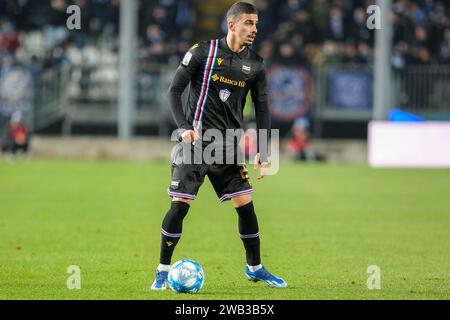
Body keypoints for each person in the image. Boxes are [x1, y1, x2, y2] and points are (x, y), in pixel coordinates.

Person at [150, 2, 287, 290]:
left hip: (228, 146)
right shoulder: (202, 52)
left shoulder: (256, 64)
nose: (254, 29)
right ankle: (162, 271)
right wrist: (184, 127)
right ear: (232, 24)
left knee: (245, 204)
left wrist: (264, 149)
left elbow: (263, 109)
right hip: (196, 143)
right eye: (248, 23)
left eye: (256, 24)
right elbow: (174, 91)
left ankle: (255, 268)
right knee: (180, 205)